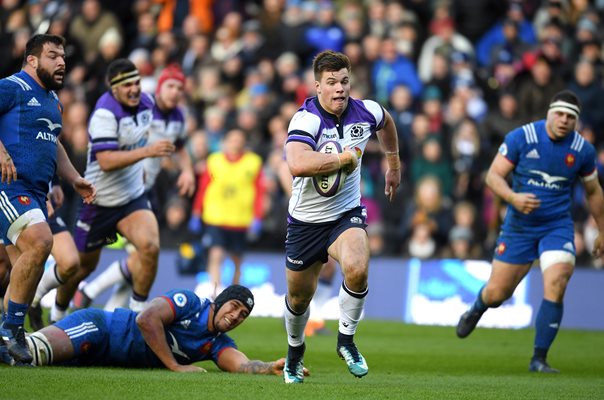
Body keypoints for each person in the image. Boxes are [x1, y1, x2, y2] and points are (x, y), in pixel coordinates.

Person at [456, 90, 604, 373]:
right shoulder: (521, 137)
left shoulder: (582, 150)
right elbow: (493, 176)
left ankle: (539, 358)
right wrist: (513, 198)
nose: (563, 120)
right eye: (559, 114)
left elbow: (594, 191)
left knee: (557, 281)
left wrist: (602, 230)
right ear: (549, 112)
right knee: (498, 293)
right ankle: (478, 307)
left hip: (557, 225)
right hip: (519, 226)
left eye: (570, 117)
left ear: (576, 121)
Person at [282, 50, 401, 383]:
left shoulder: (367, 111)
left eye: (345, 81)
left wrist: (393, 163)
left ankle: (346, 341)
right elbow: (296, 163)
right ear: (317, 86)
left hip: (344, 214)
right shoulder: (306, 120)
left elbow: (387, 122)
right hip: (305, 223)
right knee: (299, 297)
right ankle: (294, 352)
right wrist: (342, 160)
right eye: (331, 82)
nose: (339, 89)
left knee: (357, 268)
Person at [0, 34, 96, 364]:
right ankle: (12, 329)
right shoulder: (11, 86)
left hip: (37, 192)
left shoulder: (53, 100)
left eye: (64, 57)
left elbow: (53, 143)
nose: (62, 62)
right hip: (9, 186)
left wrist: (73, 178)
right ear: (31, 60)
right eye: (53, 56)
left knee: (18, 267)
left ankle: (3, 338)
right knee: (42, 243)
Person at [56, 58, 175, 315]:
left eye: (137, 82)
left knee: (150, 248)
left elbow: (168, 122)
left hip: (131, 197)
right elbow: (106, 161)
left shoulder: (147, 102)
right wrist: (147, 152)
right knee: (81, 267)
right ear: (114, 88)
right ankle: (58, 311)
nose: (134, 89)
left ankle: (138, 316)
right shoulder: (104, 114)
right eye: (127, 85)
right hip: (99, 199)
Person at [4, 285, 307, 377]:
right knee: (30, 353)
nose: (237, 315)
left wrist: (270, 367)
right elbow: (146, 319)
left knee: (24, 359)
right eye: (235, 307)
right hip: (100, 330)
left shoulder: (216, 344)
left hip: (100, 357)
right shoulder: (189, 303)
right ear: (220, 302)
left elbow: (241, 364)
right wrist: (174, 366)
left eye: (243, 314)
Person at [189, 128, 265, 300]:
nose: (235, 143)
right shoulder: (214, 161)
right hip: (216, 216)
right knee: (216, 255)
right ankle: (215, 294)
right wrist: (196, 211)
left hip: (240, 219)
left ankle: (233, 296)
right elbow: (203, 187)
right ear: (225, 142)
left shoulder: (253, 162)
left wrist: (257, 217)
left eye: (239, 140)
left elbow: (260, 191)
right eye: (232, 140)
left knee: (237, 259)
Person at [28, 183, 83, 329]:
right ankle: (10, 334)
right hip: (16, 197)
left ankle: (34, 298)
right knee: (5, 270)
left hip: (43, 202)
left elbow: (55, 159)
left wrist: (57, 182)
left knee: (70, 262)